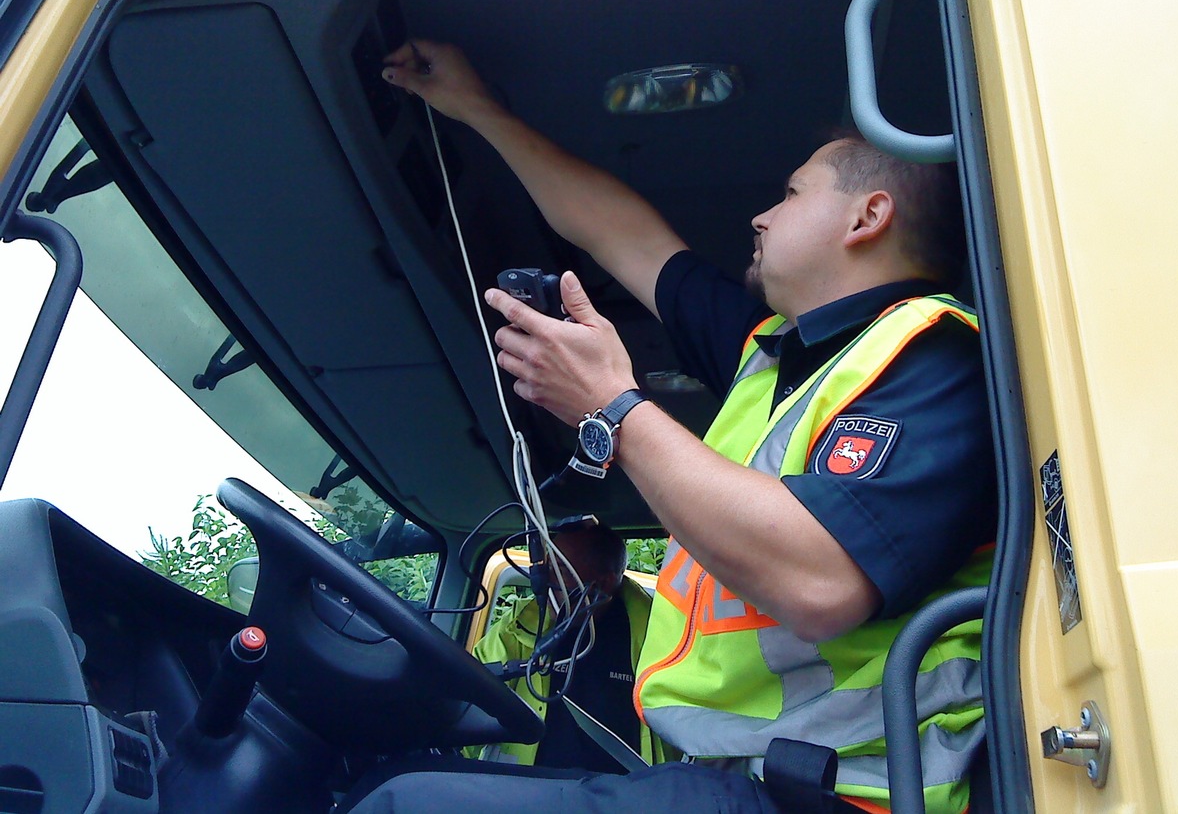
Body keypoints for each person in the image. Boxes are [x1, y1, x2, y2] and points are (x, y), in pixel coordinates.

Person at [352, 41, 997, 813]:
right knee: (391, 787)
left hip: (850, 798)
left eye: (791, 193)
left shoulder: (937, 356)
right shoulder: (775, 354)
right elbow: (622, 235)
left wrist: (613, 409)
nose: (761, 214)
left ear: (868, 216)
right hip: (734, 782)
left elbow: (823, 583)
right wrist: (475, 108)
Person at [470, 522, 673, 770]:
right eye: (548, 569)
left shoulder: (660, 638)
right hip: (527, 792)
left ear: (604, 584)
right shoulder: (519, 626)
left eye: (561, 570)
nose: (546, 582)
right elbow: (468, 700)